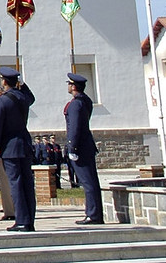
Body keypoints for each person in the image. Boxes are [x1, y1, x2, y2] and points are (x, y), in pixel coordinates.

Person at [0, 67, 36, 232]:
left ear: (4, 81)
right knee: (27, 184)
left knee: (16, 184)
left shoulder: (2, 100)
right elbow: (31, 97)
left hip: (10, 147)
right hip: (25, 144)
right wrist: (23, 84)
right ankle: (29, 220)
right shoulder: (23, 97)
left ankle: (21, 220)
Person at [65, 72, 103, 224]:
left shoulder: (76, 104)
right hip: (86, 145)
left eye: (69, 84)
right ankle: (94, 213)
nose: (68, 86)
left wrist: (72, 147)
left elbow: (74, 127)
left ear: (73, 86)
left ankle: (93, 214)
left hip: (80, 147)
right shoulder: (85, 100)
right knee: (91, 181)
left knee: (88, 182)